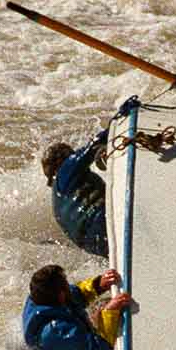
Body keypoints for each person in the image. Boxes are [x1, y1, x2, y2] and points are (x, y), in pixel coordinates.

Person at [40, 96, 139, 258]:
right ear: (63, 159)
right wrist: (119, 119)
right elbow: (91, 148)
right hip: (102, 223)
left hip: (98, 245)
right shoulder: (65, 170)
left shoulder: (57, 204)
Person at [22, 264, 133, 350]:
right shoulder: (56, 332)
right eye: (66, 283)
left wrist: (97, 285)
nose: (68, 285)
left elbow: (73, 294)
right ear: (61, 295)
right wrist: (109, 312)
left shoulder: (40, 295)